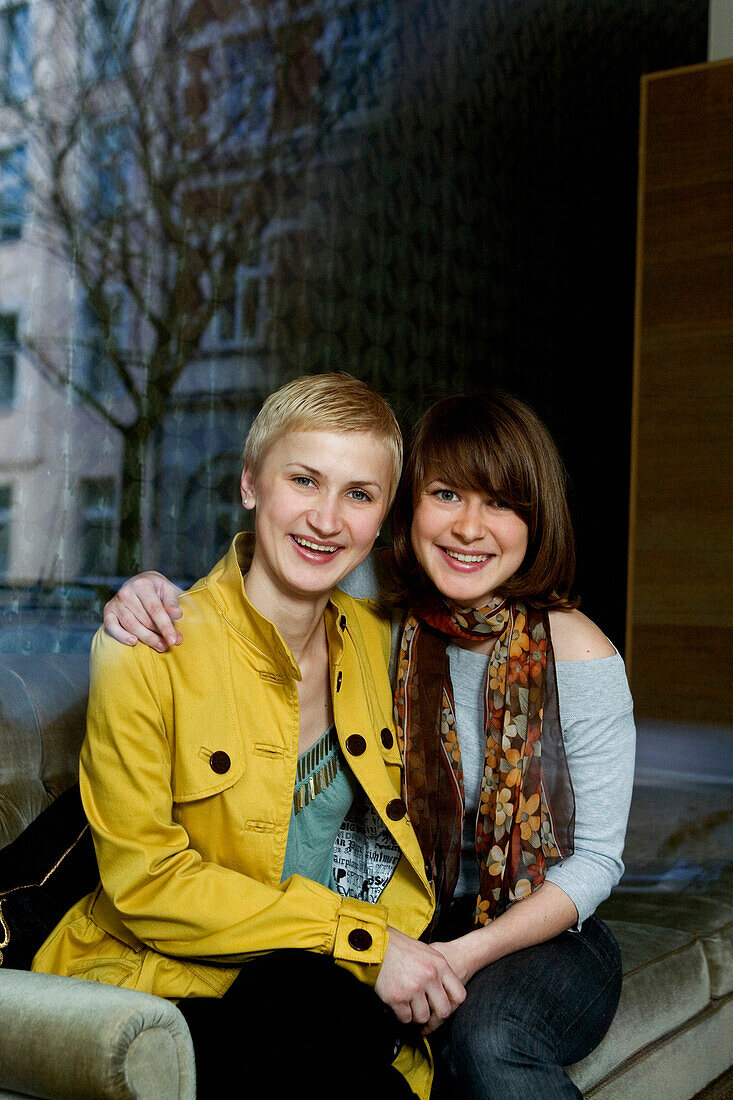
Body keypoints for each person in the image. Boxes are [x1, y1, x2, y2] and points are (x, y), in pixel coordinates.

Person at [99, 390, 636, 1098]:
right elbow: (262, 591)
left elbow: (597, 858)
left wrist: (448, 953)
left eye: (501, 503)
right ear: (406, 515)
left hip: (532, 926)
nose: (469, 527)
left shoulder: (570, 650)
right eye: (446, 494)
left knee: (487, 1037)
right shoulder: (385, 623)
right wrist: (138, 593)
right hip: (379, 923)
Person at [32, 374, 468, 1100]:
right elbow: (147, 884)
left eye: (358, 495)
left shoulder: (388, 648)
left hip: (331, 1000)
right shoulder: (150, 646)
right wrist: (360, 944)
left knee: (333, 1012)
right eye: (304, 480)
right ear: (249, 484)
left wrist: (395, 956)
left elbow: (505, 634)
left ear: (383, 517)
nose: (326, 519)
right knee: (302, 999)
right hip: (173, 989)